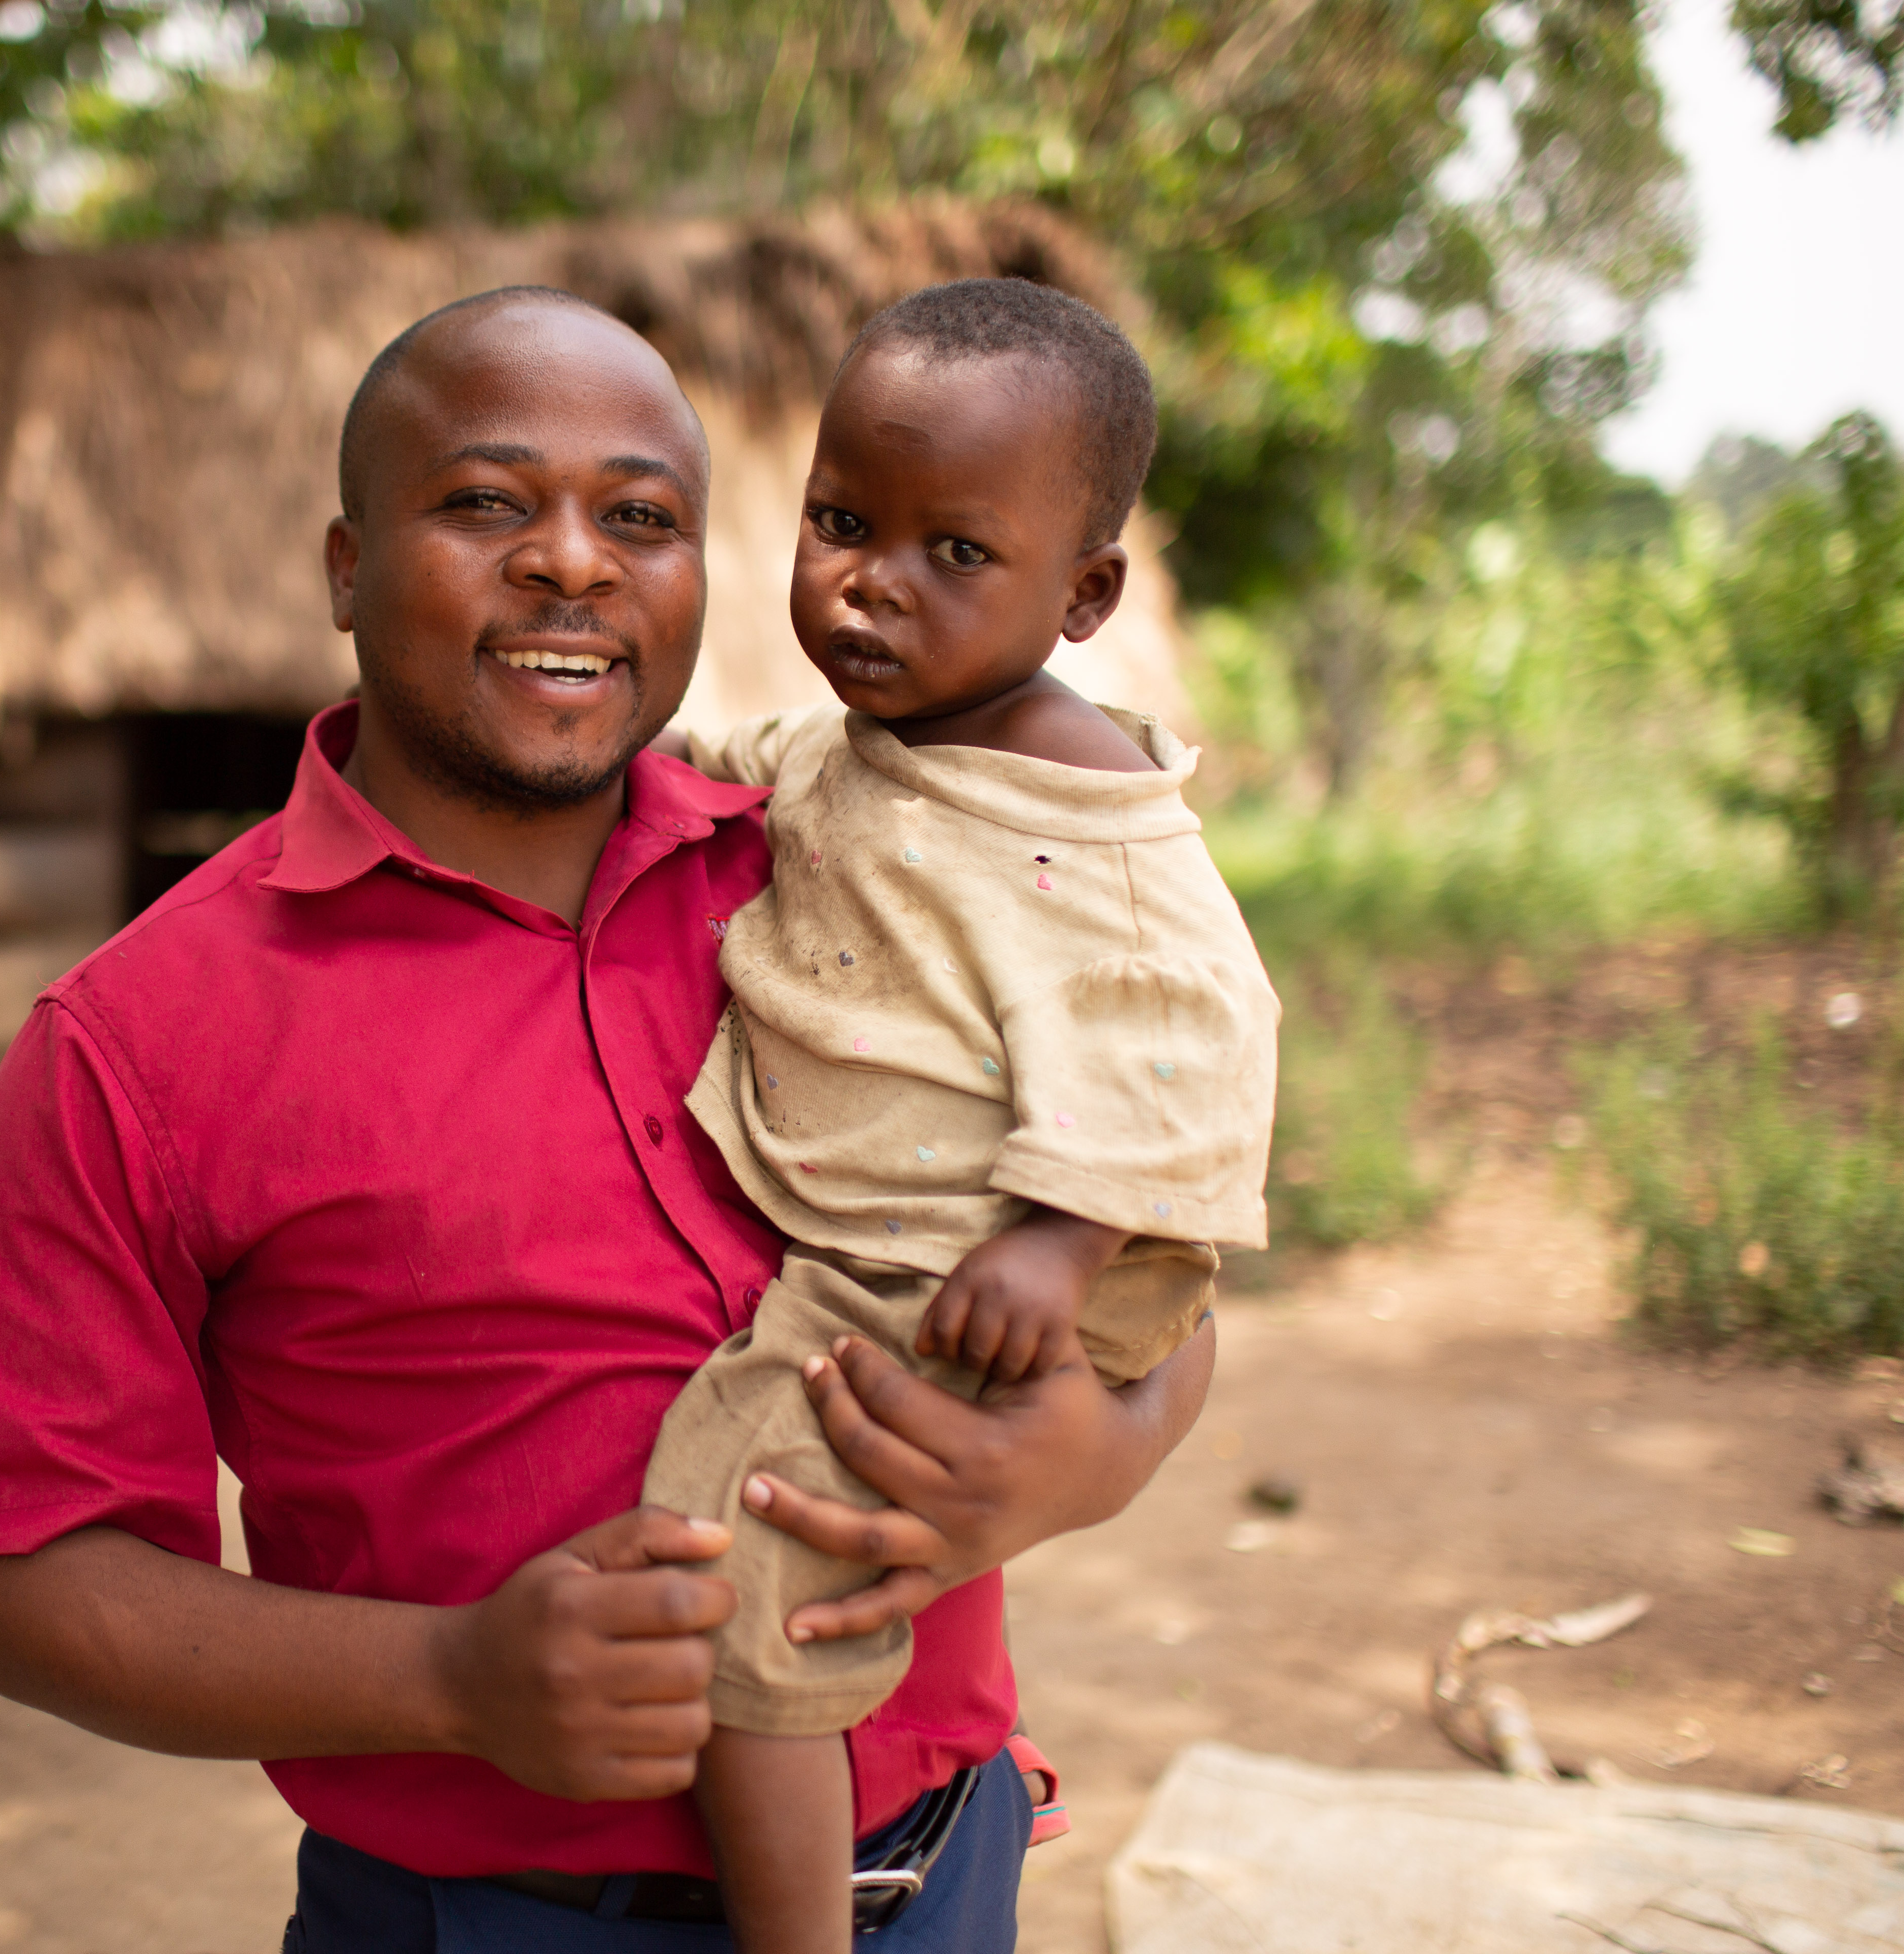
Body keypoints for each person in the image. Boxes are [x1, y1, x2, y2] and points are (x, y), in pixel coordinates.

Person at [0, 284, 1218, 1952]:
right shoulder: (140, 1044)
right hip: (501, 1921)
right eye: (484, 503)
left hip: (952, 1872)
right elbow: (22, 1579)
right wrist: (448, 1677)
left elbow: (1153, 1237)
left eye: (641, 518)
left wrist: (1087, 1460)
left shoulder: (859, 864)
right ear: (343, 565)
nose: (572, 563)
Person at [641, 279, 1281, 1952]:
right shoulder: (870, 741)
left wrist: (1063, 1241)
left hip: (974, 1253)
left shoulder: (1086, 808)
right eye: (845, 522)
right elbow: (734, 759)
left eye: (956, 554)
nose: (873, 581)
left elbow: (1194, 1033)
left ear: (1084, 597)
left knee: (735, 1574)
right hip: (912, 1236)